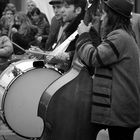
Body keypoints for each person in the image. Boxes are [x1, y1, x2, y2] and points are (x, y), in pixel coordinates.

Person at [76, 0, 140, 139]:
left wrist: (83, 35)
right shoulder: (123, 35)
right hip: (122, 109)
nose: (102, 18)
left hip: (120, 110)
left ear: (113, 16)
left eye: (105, 14)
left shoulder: (119, 37)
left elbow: (94, 58)